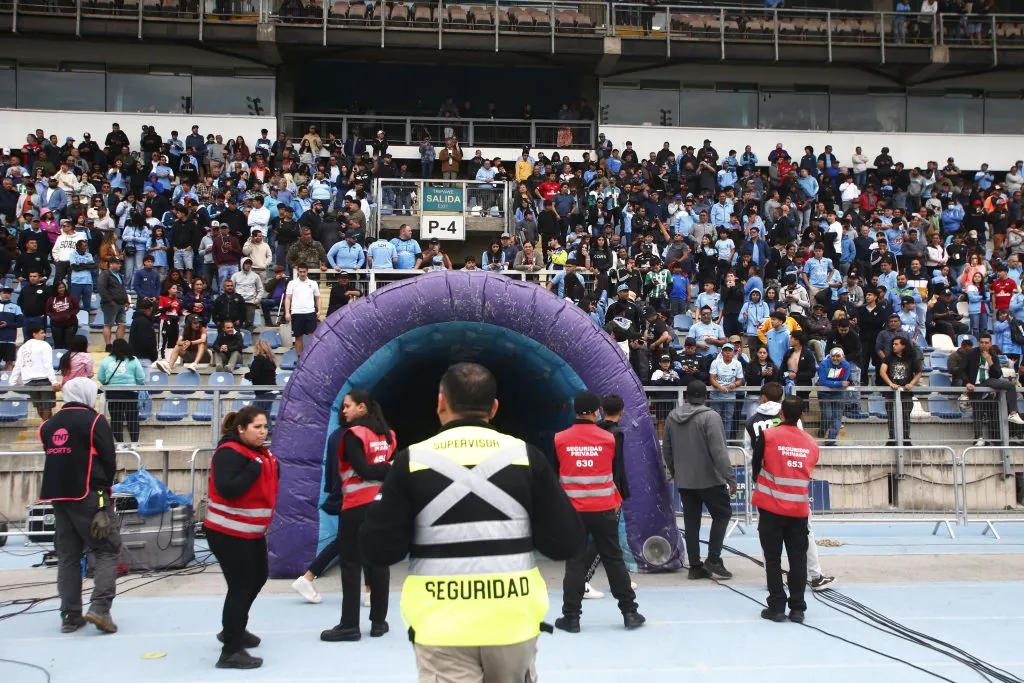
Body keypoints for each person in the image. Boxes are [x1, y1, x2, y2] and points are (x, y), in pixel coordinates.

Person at [360, 363, 585, 681]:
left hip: (442, 626)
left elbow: (378, 549)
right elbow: (567, 541)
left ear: (441, 402)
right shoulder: (526, 457)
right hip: (513, 620)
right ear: (494, 408)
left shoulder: (411, 461)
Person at [553, 391, 644, 633]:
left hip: (573, 511)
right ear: (596, 412)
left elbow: (555, 475)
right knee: (613, 559)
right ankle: (630, 613)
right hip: (604, 509)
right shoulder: (608, 439)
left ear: (575, 411)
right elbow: (614, 473)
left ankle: (571, 618)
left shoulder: (560, 439)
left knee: (574, 563)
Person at [37, 377, 121, 634]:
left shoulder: (48, 425)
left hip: (58, 497)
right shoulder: (95, 421)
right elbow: (108, 459)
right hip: (90, 495)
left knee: (68, 556)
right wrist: (104, 496)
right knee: (108, 548)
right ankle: (100, 608)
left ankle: (70, 615)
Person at [204, 407, 279, 670]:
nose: (263, 431)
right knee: (241, 586)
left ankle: (234, 629)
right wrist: (253, 470)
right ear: (241, 429)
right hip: (228, 532)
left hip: (250, 531)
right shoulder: (230, 452)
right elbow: (228, 488)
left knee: (258, 578)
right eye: (257, 427)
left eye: (265, 426)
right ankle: (230, 650)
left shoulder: (257, 453)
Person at [743, 382, 835, 591]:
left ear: (763, 397)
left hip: (766, 488)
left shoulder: (752, 423)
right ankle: (815, 575)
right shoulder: (791, 419)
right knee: (804, 534)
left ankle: (773, 580)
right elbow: (800, 447)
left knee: (768, 538)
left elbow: (750, 454)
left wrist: (758, 477)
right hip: (793, 489)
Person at [319, 390, 395, 642]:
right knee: (379, 564)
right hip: (381, 506)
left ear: (362, 408)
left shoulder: (352, 435)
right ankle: (379, 622)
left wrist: (379, 470)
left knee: (351, 565)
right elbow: (387, 468)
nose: (344, 411)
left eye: (348, 406)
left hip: (355, 506)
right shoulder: (388, 435)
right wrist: (388, 470)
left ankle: (350, 625)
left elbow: (362, 470)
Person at [751, 396, 820, 624]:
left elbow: (756, 464)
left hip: (771, 508)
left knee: (772, 560)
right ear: (802, 415)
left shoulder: (768, 436)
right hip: (798, 511)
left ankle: (777, 607)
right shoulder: (811, 444)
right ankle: (798, 608)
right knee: (798, 560)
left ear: (781, 414)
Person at [663, 380, 736, 580]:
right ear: (705, 396)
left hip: (685, 480)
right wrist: (730, 478)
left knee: (691, 522)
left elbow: (666, 449)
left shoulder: (671, 417)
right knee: (722, 515)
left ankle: (695, 565)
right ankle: (713, 558)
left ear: (686, 396)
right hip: (710, 479)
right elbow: (719, 452)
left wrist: (674, 471)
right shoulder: (710, 417)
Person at [97, 339, 146, 447]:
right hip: (130, 394)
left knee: (116, 419)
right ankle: (134, 443)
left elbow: (100, 377)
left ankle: (119, 443)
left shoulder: (107, 360)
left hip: (112, 394)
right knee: (132, 418)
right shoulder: (133, 360)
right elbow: (141, 378)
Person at [10, 324, 59, 420]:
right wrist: (54, 381)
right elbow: (47, 364)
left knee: (39, 406)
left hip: (29, 381)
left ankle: (46, 427)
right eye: (41, 333)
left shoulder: (22, 347)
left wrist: (12, 382)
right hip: (43, 379)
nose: (44, 335)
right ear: (34, 334)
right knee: (46, 406)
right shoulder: (44, 345)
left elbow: (18, 366)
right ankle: (46, 428)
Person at [285, 263, 320, 356]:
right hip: (296, 313)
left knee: (312, 336)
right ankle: (300, 358)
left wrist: (319, 311)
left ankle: (311, 357)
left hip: (310, 312)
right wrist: (287, 313)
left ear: (307, 271)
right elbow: (288, 298)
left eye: (304, 271)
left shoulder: (313, 283)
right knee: (298, 337)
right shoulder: (292, 283)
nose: (302, 274)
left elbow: (318, 298)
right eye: (300, 272)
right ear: (298, 271)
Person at [245, 339, 278, 434]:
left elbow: (253, 374)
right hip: (272, 391)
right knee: (265, 414)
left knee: (253, 414)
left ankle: (262, 434)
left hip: (263, 392)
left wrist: (246, 375)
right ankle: (270, 434)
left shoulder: (258, 359)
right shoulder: (270, 360)